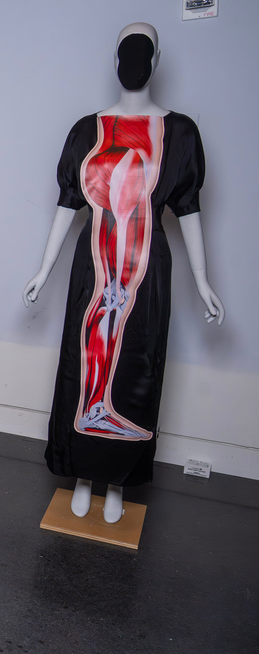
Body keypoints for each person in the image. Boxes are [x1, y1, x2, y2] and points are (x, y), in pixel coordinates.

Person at [23, 24, 225, 523]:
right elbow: (69, 205)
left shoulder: (178, 133)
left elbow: (189, 209)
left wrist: (202, 279)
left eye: (143, 49)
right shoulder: (87, 131)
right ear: (117, 56)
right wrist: (44, 269)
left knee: (136, 367)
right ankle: (84, 475)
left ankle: (116, 482)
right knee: (85, 354)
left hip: (146, 270)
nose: (134, 59)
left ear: (155, 60)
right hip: (92, 266)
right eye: (127, 49)